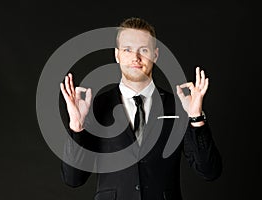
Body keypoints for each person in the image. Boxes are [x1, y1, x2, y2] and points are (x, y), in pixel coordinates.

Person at [60, 17, 222, 200]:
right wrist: (76, 126)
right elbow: (73, 178)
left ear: (155, 54)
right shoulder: (95, 107)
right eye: (127, 49)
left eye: (143, 50)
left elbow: (209, 171)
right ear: (117, 55)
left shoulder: (178, 106)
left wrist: (195, 117)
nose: (135, 58)